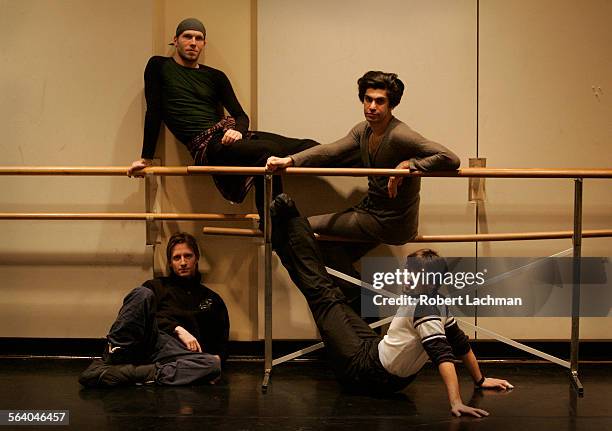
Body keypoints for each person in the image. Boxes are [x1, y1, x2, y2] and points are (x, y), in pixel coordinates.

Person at [270, 194, 512, 417]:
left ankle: (290, 217)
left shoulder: (424, 308)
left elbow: (443, 354)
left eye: (408, 273)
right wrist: (480, 380)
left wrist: (456, 402)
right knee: (334, 295)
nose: (403, 276)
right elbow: (461, 344)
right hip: (375, 355)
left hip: (365, 373)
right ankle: (283, 237)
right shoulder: (439, 302)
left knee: (323, 294)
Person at [266, 71, 461, 315]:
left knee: (304, 226)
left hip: (392, 222)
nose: (372, 106)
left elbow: (450, 158)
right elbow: (330, 151)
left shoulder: (400, 134)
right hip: (369, 212)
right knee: (327, 251)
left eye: (380, 101)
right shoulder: (363, 130)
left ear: (391, 105)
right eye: (368, 99)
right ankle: (363, 310)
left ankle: (361, 303)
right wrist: (290, 160)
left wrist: (409, 165)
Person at [128, 17, 318, 218]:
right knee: (270, 150)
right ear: (175, 40)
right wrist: (146, 158)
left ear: (204, 44)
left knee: (307, 146)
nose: (193, 42)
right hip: (206, 146)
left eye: (198, 38)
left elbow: (240, 116)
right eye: (187, 36)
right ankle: (273, 221)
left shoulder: (215, 76)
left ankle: (355, 157)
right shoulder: (159, 65)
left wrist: (237, 131)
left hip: (227, 136)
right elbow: (154, 111)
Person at [79, 232, 229, 387]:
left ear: (196, 258)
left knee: (212, 365)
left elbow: (221, 344)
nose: (183, 262)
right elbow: (140, 316)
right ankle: (115, 356)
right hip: (149, 340)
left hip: (178, 355)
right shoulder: (156, 287)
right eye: (177, 258)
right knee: (141, 293)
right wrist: (177, 329)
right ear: (170, 263)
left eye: (188, 256)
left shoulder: (212, 299)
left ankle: (126, 373)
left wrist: (215, 363)